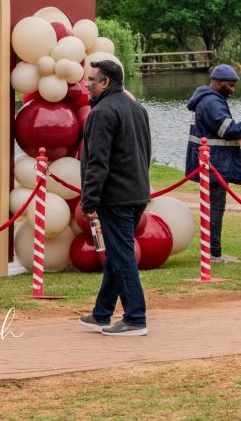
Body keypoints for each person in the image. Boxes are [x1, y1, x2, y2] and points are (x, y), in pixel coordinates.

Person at [77, 60, 152, 337]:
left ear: (106, 82)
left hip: (116, 197)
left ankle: (135, 317)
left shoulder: (102, 112)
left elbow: (98, 161)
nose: (87, 84)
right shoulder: (137, 108)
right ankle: (102, 313)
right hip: (136, 193)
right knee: (116, 255)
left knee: (122, 257)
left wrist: (89, 200)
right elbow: (146, 152)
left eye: (92, 79)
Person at [185, 64, 241, 263]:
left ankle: (211, 251)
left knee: (212, 208)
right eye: (230, 85)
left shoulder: (208, 99)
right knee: (216, 209)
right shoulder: (211, 102)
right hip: (214, 164)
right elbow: (227, 130)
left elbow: (216, 133)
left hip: (210, 162)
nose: (233, 89)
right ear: (218, 82)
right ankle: (214, 254)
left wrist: (236, 141)